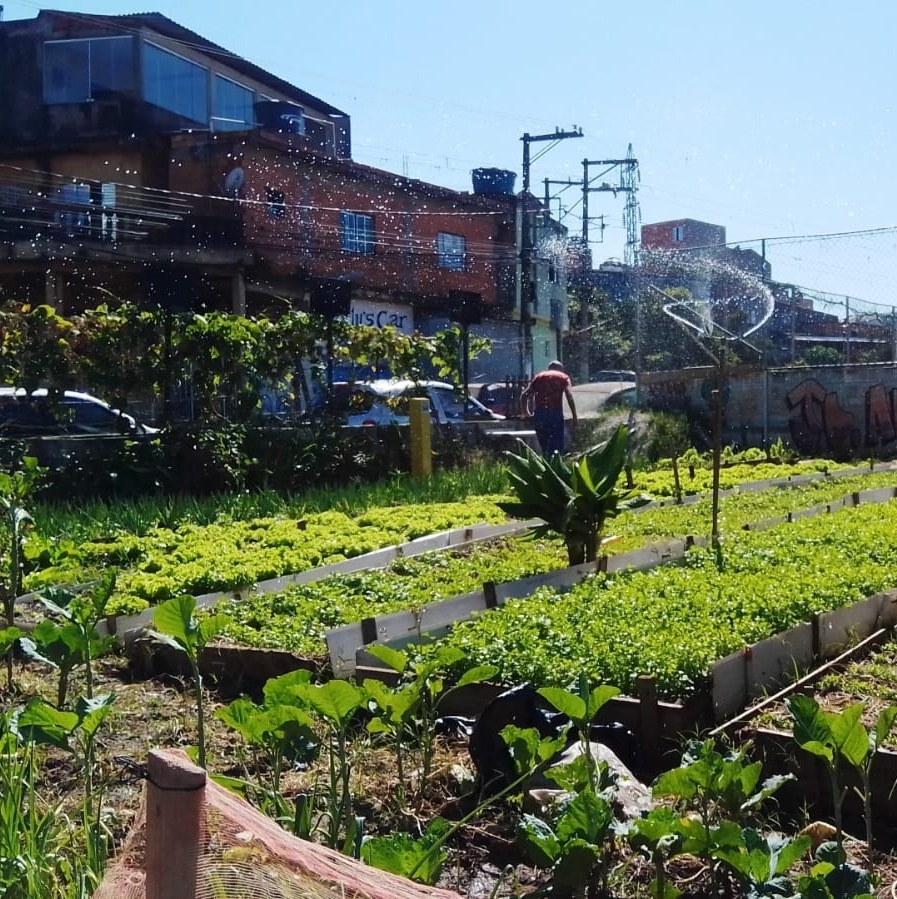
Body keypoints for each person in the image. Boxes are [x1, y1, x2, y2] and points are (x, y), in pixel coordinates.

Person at [520, 360, 578, 455]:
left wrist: (526, 414)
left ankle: (545, 466)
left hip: (539, 415)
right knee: (556, 449)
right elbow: (569, 396)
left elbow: (524, 396)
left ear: (548, 369)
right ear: (561, 370)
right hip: (555, 415)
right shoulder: (563, 377)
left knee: (544, 447)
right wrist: (574, 416)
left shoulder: (539, 377)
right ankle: (555, 467)